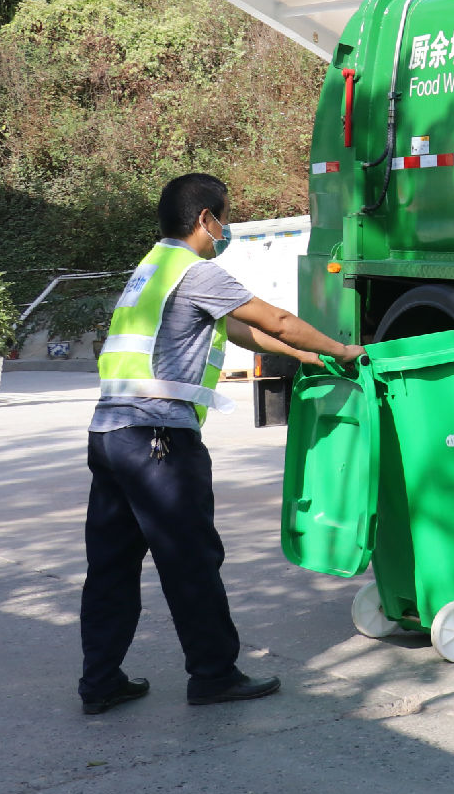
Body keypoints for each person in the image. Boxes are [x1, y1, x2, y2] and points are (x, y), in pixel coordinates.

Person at [80, 173, 364, 715]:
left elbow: (234, 330)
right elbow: (274, 317)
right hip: (158, 441)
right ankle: (213, 675)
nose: (225, 227)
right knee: (190, 559)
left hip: (110, 437)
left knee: (111, 566)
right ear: (205, 218)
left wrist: (304, 356)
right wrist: (341, 349)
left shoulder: (152, 268)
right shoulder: (195, 270)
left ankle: (100, 680)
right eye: (224, 217)